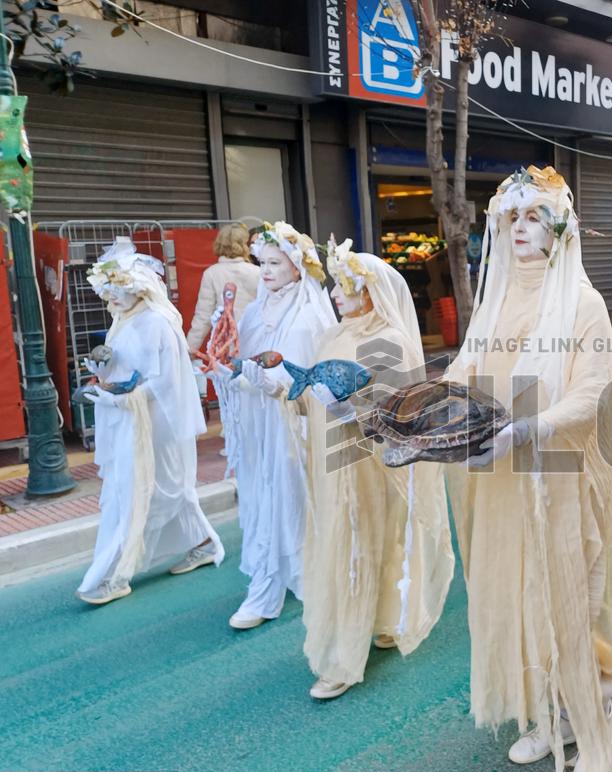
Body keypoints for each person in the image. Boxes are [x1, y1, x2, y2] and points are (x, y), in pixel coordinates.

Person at [446, 166, 612, 772]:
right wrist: (438, 411)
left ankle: (587, 705)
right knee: (516, 592)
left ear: (560, 227)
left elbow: (593, 394)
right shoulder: (495, 299)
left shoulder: (583, 303)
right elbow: (466, 369)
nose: (519, 228)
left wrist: (526, 429)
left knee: (569, 597)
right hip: (505, 482)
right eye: (511, 218)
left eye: (533, 215)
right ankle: (543, 712)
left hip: (563, 478)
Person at [299, 239, 453, 700]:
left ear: (370, 290)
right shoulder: (334, 336)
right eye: (335, 287)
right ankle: (363, 630)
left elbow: (402, 410)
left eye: (345, 287)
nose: (335, 295)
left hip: (372, 465)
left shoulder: (394, 340)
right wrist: (285, 388)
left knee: (371, 543)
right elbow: (310, 393)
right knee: (348, 543)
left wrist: (355, 412)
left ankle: (347, 655)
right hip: (335, 466)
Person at [77, 238, 224, 605]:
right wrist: (101, 375)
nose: (109, 300)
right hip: (128, 419)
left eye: (115, 292)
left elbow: (164, 381)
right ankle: (203, 543)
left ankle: (115, 572)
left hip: (155, 424)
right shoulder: (123, 320)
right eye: (106, 292)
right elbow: (123, 367)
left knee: (144, 491)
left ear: (138, 290)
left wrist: (122, 396)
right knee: (160, 489)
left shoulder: (156, 323)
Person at [214, 222, 336, 629]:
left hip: (296, 420)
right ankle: (269, 581)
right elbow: (247, 363)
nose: (265, 271)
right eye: (261, 262)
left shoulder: (310, 315)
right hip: (261, 421)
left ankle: (294, 574)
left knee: (293, 491)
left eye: (274, 263)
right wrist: (228, 373)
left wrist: (278, 386)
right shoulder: (253, 311)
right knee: (264, 492)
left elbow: (316, 371)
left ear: (296, 267)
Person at [186, 223, 261, 353]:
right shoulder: (258, 272)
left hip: (225, 344)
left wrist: (189, 350)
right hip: (256, 340)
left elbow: (202, 317)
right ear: (244, 245)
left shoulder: (211, 273)